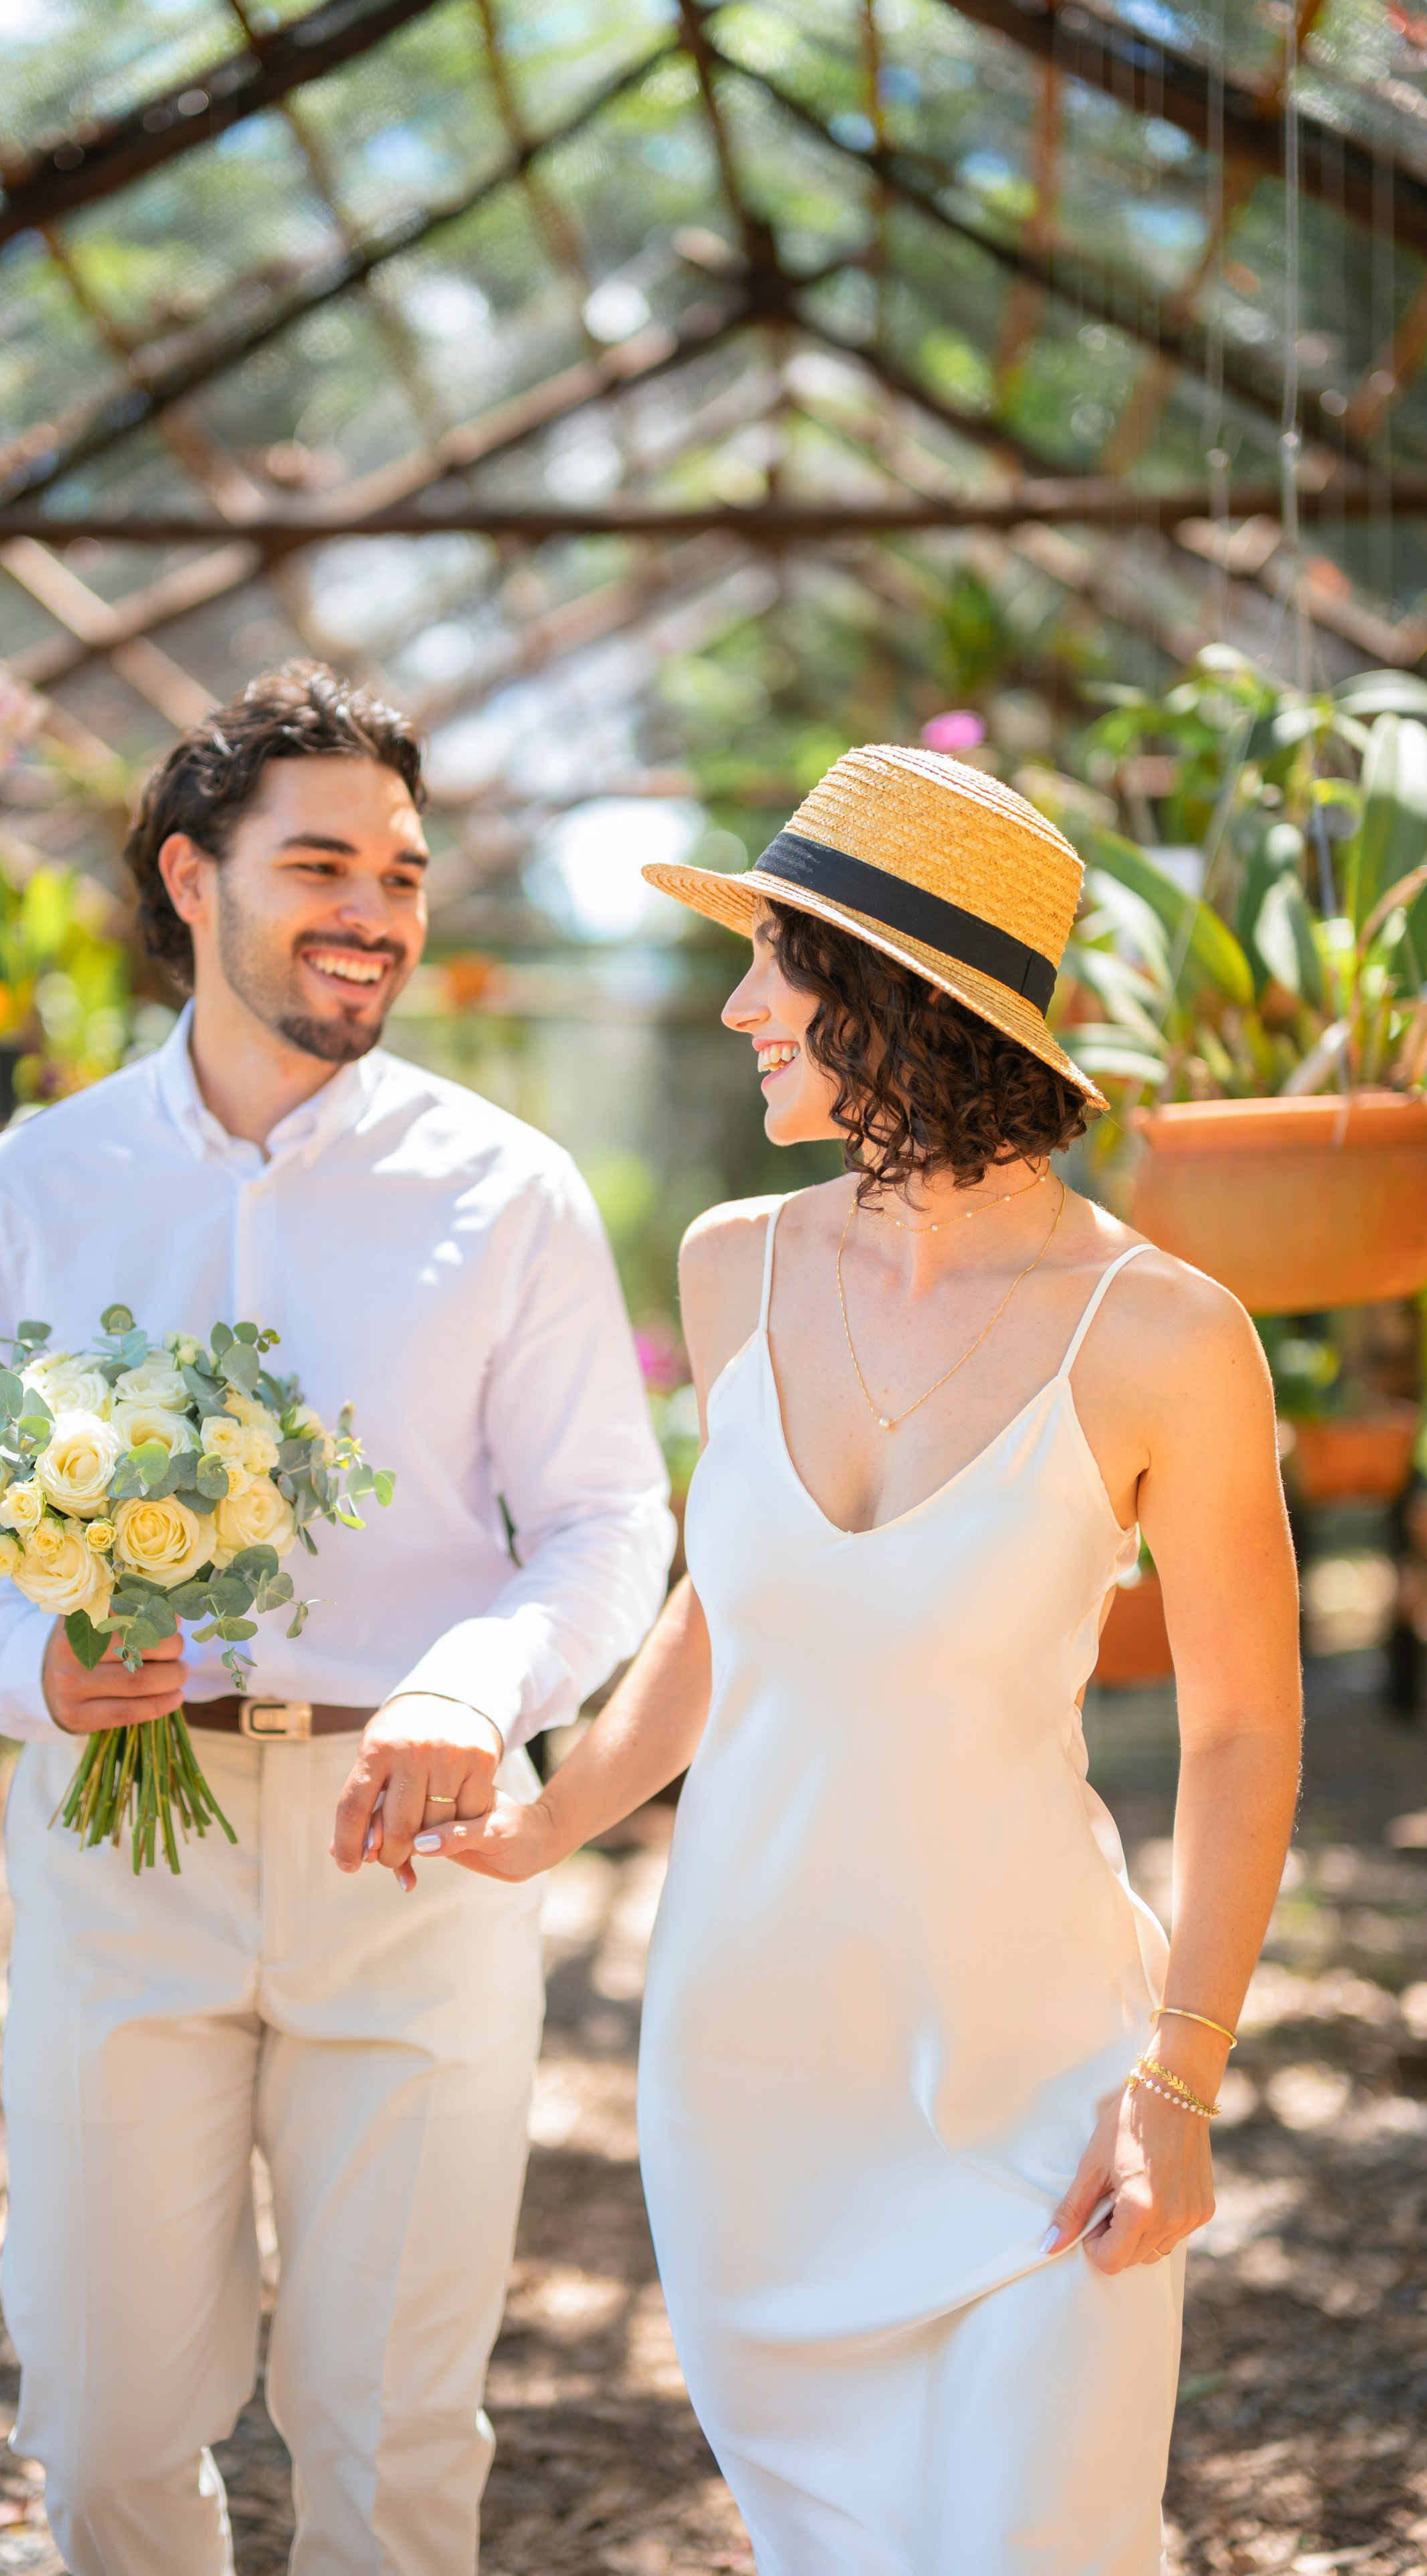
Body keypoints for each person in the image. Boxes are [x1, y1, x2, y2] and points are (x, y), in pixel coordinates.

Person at [411, 746, 1302, 2573]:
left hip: (1041, 2078)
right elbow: (724, 1616)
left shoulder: (1166, 1337)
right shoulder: (730, 1266)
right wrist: (551, 1817)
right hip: (754, 2085)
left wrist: (1179, 2078)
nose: (739, 1005)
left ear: (895, 1000)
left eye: (779, 962)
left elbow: (1239, 1732)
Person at [0, 661, 675, 2576]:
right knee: (103, 2424)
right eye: (321, 863)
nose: (373, 914)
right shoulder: (33, 1187)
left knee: (395, 2434)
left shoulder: (510, 1193)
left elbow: (604, 1520)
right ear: (191, 877)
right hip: (112, 1847)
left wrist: (471, 1690)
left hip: (410, 1860)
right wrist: (32, 1656)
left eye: (402, 875)